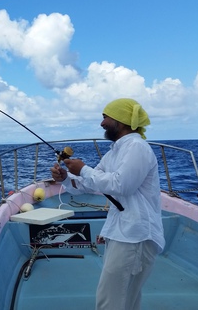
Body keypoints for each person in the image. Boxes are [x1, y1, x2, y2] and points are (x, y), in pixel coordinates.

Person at [50, 98, 165, 310]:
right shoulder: (115, 151)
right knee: (124, 299)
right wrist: (66, 178)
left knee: (110, 300)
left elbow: (121, 185)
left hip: (134, 236)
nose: (101, 123)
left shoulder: (137, 147)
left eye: (105, 117)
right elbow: (88, 184)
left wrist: (83, 168)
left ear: (121, 120)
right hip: (124, 232)